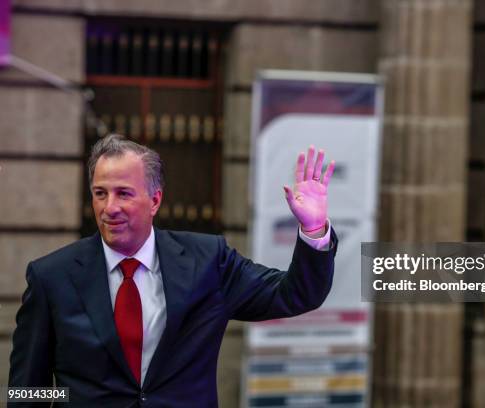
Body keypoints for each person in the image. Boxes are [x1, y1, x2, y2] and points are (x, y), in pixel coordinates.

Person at [8, 134, 338, 407]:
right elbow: (27, 390)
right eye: (100, 194)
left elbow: (294, 295)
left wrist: (314, 229)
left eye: (123, 193)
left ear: (155, 200)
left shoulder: (208, 261)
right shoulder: (52, 277)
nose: (110, 208)